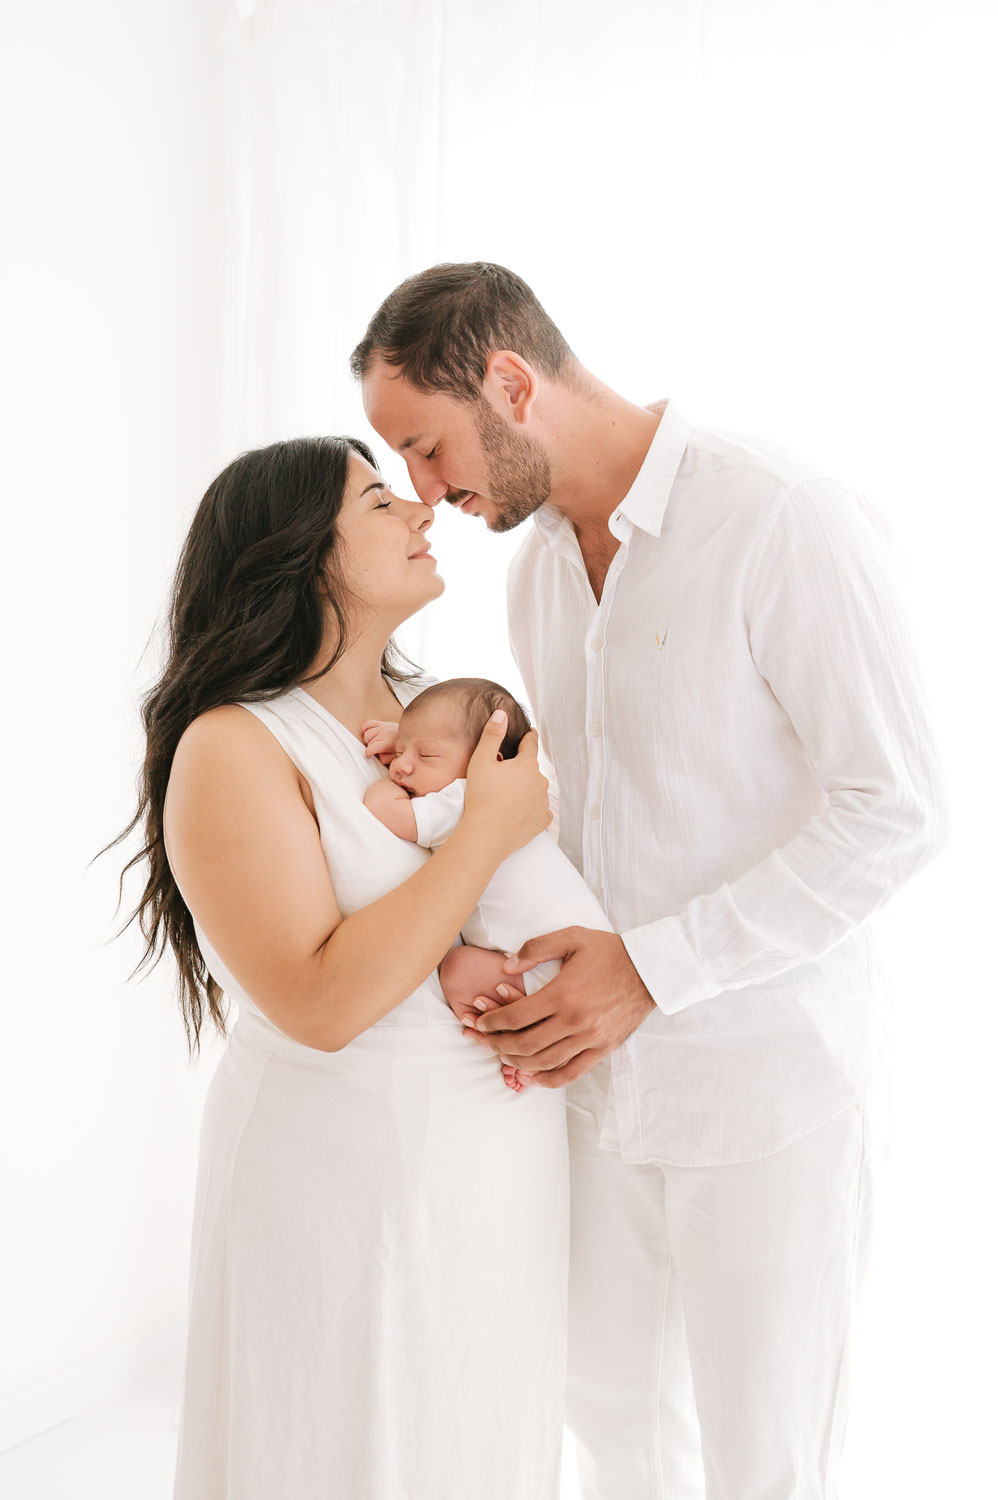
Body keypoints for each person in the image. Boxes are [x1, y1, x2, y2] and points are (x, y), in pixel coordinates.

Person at [351, 262, 947, 1500]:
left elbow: (896, 809)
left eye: (425, 447)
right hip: (590, 1096)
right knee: (620, 1451)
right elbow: (574, 817)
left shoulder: (784, 518)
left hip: (767, 1091)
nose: (422, 494)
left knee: (764, 1464)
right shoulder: (534, 576)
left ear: (510, 383)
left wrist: (655, 973)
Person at [110, 434, 569, 1500]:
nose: (421, 511)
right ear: (300, 556)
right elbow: (318, 1001)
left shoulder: (425, 719)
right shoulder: (233, 744)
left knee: (470, 1438)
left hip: (490, 1168)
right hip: (343, 1183)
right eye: (377, 501)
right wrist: (482, 832)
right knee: (342, 1446)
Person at [360, 675, 613, 1088]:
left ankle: (516, 1044)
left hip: (549, 971)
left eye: (426, 755)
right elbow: (438, 750)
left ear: (489, 761)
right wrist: (412, 745)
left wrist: (389, 772)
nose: (403, 764)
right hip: (573, 957)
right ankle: (531, 1053)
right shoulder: (490, 790)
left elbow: (383, 809)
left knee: (457, 968)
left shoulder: (467, 799)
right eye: (403, 750)